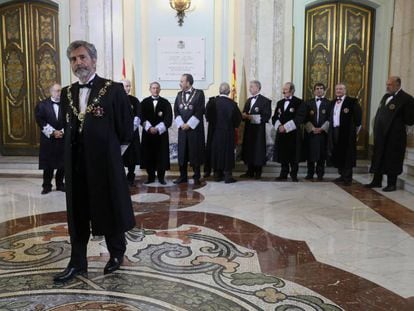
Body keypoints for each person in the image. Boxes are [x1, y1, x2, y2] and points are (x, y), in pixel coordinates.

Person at [54, 40, 135, 283]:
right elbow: (66, 127)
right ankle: (77, 263)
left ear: (93, 59)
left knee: (108, 208)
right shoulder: (67, 93)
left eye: (82, 57)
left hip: (105, 165)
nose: (78, 63)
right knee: (77, 214)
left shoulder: (113, 89)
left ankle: (117, 254)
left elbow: (126, 130)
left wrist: (110, 156)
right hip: (76, 166)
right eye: (73, 59)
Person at [365, 76, 414, 192]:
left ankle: (392, 184)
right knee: (379, 157)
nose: (387, 87)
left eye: (390, 85)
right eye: (387, 84)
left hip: (395, 137)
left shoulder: (407, 99)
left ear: (397, 85)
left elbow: (410, 120)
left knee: (393, 159)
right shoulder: (386, 96)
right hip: (381, 135)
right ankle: (376, 181)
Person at [173, 73, 205, 185]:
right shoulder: (179, 94)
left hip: (194, 130)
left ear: (188, 82)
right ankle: (183, 176)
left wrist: (189, 124)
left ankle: (196, 176)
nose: (180, 83)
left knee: (194, 152)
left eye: (182, 81)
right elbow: (176, 110)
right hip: (182, 130)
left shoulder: (199, 94)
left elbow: (200, 111)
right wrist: (181, 124)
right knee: (183, 153)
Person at [328, 83, 362, 186]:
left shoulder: (352, 101)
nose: (338, 90)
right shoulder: (333, 102)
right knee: (338, 152)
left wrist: (353, 132)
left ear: (345, 90)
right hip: (335, 130)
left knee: (347, 155)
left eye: (341, 89)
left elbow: (358, 119)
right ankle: (342, 175)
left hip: (347, 132)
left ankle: (347, 178)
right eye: (337, 89)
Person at [207, 82, 242, 183]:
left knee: (216, 152)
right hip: (228, 132)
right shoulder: (232, 104)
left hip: (215, 132)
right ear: (229, 91)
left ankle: (217, 175)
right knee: (227, 153)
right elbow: (237, 120)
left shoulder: (212, 102)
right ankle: (227, 176)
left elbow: (208, 116)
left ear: (219, 90)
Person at [35, 83, 65, 194]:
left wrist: (62, 132)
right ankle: (46, 186)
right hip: (49, 140)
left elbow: (70, 120)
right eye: (57, 91)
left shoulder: (66, 105)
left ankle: (60, 184)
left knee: (63, 164)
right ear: (51, 92)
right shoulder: (42, 105)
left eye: (60, 90)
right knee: (48, 164)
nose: (59, 93)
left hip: (62, 138)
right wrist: (53, 132)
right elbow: (40, 120)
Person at [140, 82, 173, 185]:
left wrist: (158, 128)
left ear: (160, 89)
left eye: (157, 88)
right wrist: (149, 128)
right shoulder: (144, 102)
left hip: (161, 135)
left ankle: (161, 177)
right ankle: (150, 177)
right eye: (153, 88)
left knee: (161, 155)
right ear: (150, 89)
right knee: (149, 155)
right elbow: (141, 117)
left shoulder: (165, 102)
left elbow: (168, 118)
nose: (155, 90)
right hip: (148, 134)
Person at [272, 82, 305, 182]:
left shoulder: (299, 102)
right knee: (283, 155)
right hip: (282, 134)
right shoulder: (280, 103)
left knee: (293, 156)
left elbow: (300, 117)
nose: (284, 91)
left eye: (286, 89)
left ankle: (294, 174)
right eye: (284, 89)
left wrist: (286, 127)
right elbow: (275, 117)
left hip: (293, 134)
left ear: (292, 90)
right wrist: (279, 126)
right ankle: (283, 174)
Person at [240, 80, 271, 179]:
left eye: (252, 86)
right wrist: (243, 116)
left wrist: (251, 117)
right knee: (249, 150)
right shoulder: (248, 100)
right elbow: (245, 113)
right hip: (249, 130)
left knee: (258, 150)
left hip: (258, 131)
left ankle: (258, 172)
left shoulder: (265, 101)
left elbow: (266, 117)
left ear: (258, 87)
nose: (249, 88)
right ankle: (249, 171)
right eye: (250, 86)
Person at [303, 83, 331, 180]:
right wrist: (312, 128)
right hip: (311, 133)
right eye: (317, 88)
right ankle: (310, 173)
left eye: (321, 88)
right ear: (314, 91)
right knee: (310, 153)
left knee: (321, 154)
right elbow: (304, 118)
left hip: (323, 133)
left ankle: (320, 174)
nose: (319, 90)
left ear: (324, 90)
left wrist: (322, 128)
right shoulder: (308, 103)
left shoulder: (329, 103)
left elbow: (330, 118)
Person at [121, 79, 141, 186]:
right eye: (125, 86)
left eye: (129, 86)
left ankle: (131, 175)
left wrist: (131, 128)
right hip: (120, 134)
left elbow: (138, 116)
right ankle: (120, 176)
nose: (127, 88)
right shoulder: (115, 99)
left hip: (132, 134)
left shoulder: (134, 100)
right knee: (120, 155)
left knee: (132, 155)